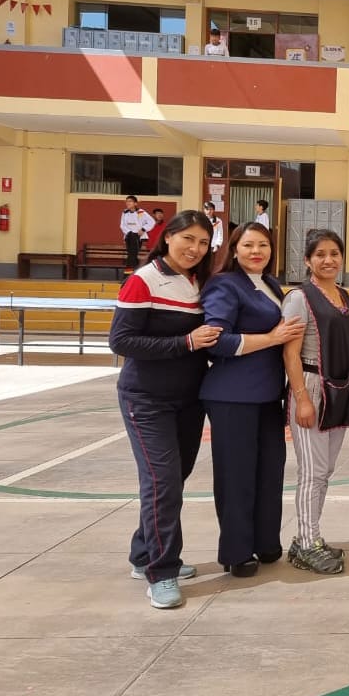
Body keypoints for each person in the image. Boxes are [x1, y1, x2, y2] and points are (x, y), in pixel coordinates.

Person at [109, 211, 219, 609]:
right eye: (188, 238)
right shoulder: (144, 280)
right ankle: (162, 572)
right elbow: (121, 341)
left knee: (172, 479)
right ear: (168, 236)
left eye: (203, 242)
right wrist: (186, 343)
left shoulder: (200, 282)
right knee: (163, 483)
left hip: (189, 400)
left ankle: (144, 554)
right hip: (146, 400)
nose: (195, 248)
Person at [200, 222, 304, 577]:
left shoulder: (270, 283)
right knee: (237, 476)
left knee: (270, 472)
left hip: (267, 395)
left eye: (263, 244)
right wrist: (272, 338)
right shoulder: (224, 284)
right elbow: (216, 340)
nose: (257, 251)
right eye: (248, 245)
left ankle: (265, 541)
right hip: (233, 396)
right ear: (234, 249)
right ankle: (237, 551)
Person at [282, 229, 349, 574]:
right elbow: (291, 353)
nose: (329, 260)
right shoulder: (300, 298)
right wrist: (301, 399)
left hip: (337, 389)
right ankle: (306, 542)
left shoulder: (343, 294)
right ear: (307, 260)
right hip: (311, 386)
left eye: (334, 253)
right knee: (312, 472)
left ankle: (309, 536)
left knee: (324, 471)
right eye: (320, 255)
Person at [119, 195, 154, 275]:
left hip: (137, 237)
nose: (127, 203)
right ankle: (137, 273)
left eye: (130, 201)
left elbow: (151, 221)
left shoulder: (140, 212)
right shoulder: (125, 212)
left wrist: (143, 229)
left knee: (131, 256)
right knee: (132, 256)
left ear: (135, 203)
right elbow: (122, 225)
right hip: (128, 236)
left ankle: (127, 275)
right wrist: (129, 232)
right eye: (127, 201)